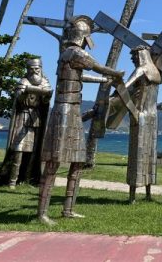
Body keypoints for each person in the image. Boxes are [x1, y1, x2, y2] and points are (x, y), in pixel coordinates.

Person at [37, 15, 122, 225]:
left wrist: (104, 80)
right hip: (64, 111)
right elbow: (96, 66)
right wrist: (115, 73)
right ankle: (42, 213)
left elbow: (81, 76)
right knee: (54, 163)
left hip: (73, 109)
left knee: (77, 161)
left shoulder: (66, 54)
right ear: (84, 36)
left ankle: (68, 209)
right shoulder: (75, 52)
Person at [124, 45, 162, 203]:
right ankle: (148, 193)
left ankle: (132, 196)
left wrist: (113, 83)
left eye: (134, 55)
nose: (132, 59)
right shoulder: (157, 72)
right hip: (153, 116)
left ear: (141, 55)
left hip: (140, 115)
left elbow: (124, 88)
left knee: (137, 154)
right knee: (149, 153)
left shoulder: (141, 70)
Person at [7, 58, 52, 188]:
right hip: (23, 116)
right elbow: (19, 97)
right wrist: (23, 91)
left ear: (40, 69)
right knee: (19, 149)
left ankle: (28, 178)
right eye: (31, 69)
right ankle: (12, 181)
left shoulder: (44, 81)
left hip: (36, 118)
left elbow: (45, 100)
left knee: (33, 151)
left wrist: (46, 95)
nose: (34, 72)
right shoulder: (23, 81)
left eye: (36, 69)